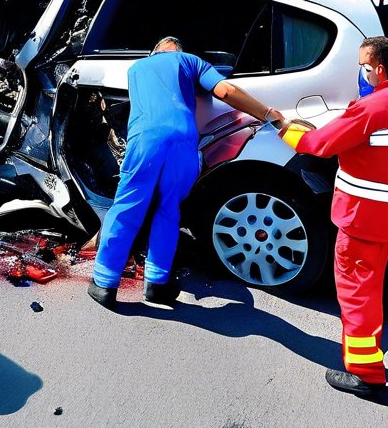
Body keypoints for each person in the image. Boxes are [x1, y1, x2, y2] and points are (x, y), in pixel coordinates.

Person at [278, 37, 388, 396]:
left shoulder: (368, 110)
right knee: (371, 286)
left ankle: (365, 373)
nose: (360, 73)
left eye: (363, 66)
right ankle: (370, 354)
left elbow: (316, 145)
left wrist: (282, 126)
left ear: (379, 69)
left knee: (356, 294)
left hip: (361, 220)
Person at [89, 37, 284, 310]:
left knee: (127, 207)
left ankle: (104, 283)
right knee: (168, 210)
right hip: (185, 141)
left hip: (146, 140)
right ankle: (157, 285)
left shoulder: (137, 68)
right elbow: (225, 92)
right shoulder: (190, 61)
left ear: (155, 51)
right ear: (179, 50)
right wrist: (265, 112)